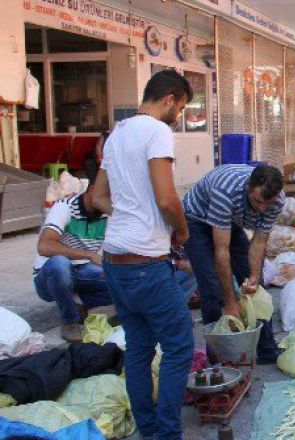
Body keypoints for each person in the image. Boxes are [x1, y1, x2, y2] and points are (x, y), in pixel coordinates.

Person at [92, 69, 194, 440]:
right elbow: (167, 199)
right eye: (180, 108)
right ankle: (166, 435)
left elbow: (97, 198)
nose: (178, 117)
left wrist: (129, 213)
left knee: (138, 348)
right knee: (180, 346)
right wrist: (180, 232)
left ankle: (148, 429)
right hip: (145, 264)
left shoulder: (117, 133)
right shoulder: (156, 131)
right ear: (168, 98)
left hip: (114, 260)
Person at [182, 164, 285, 364]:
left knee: (256, 286)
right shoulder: (226, 191)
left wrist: (254, 277)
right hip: (196, 220)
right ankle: (217, 359)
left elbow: (260, 241)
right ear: (248, 187)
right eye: (258, 201)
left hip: (232, 220)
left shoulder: (277, 200)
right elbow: (221, 251)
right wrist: (230, 303)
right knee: (211, 287)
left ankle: (266, 350)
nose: (263, 208)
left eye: (268, 203)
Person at [32, 181, 112, 342]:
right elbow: (44, 246)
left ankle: (76, 300)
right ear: (92, 191)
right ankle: (70, 322)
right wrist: (88, 255)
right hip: (49, 276)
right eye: (107, 197)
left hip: (83, 272)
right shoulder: (65, 206)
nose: (111, 203)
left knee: (127, 281)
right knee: (60, 264)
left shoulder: (108, 213)